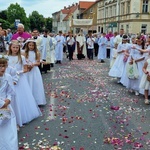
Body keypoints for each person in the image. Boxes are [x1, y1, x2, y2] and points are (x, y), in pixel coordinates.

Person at [8, 40, 42, 126]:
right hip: (9, 79)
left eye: (17, 47)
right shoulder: (6, 57)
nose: (15, 49)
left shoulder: (22, 58)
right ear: (10, 48)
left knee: (20, 97)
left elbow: (26, 69)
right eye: (13, 47)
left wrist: (19, 72)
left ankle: (22, 115)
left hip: (20, 79)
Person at [0, 55, 18, 150]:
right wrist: (1, 103)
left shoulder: (8, 77)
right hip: (2, 104)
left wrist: (8, 99)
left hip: (6, 106)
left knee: (8, 129)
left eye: (4, 66)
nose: (2, 68)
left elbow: (10, 92)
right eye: (0, 66)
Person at [24, 39, 47, 105]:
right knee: (28, 83)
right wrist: (28, 65)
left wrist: (33, 65)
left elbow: (38, 62)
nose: (31, 47)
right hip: (28, 70)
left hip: (34, 70)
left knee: (35, 84)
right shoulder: (25, 53)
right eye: (30, 45)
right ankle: (28, 100)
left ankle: (37, 100)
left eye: (32, 45)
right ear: (27, 45)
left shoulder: (37, 53)